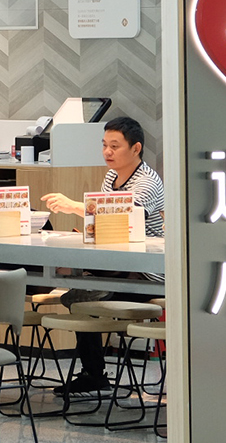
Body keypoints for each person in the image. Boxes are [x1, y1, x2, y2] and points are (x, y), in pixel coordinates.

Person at [40, 116, 165, 395]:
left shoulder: (146, 182)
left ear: (136, 148)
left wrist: (75, 206)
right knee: (80, 292)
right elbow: (104, 223)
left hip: (147, 272)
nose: (107, 152)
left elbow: (122, 216)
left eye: (115, 146)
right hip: (118, 262)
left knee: (82, 296)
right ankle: (93, 373)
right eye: (105, 145)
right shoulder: (111, 176)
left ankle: (93, 374)